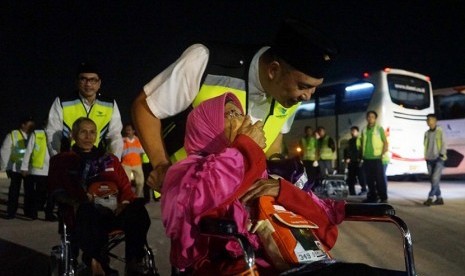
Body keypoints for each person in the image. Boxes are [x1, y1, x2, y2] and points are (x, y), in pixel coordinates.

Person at [131, 18, 338, 192]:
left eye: (314, 88)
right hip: (188, 192)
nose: (308, 96)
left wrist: (276, 173)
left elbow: (275, 137)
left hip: (239, 197)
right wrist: (161, 166)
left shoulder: (289, 93)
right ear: (274, 70)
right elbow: (145, 107)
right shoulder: (206, 61)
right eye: (303, 86)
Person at [161, 93, 345, 274]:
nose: (244, 119)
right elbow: (197, 205)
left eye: (240, 113)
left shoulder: (267, 173)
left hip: (300, 265)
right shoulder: (184, 172)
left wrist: (284, 191)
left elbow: (326, 232)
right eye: (231, 114)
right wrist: (245, 148)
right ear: (206, 127)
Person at [48, 117, 151, 275]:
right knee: (88, 211)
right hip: (83, 214)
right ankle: (98, 264)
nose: (89, 136)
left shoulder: (110, 160)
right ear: (73, 135)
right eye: (83, 132)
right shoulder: (61, 161)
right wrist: (75, 202)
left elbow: (125, 188)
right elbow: (56, 190)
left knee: (138, 211)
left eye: (92, 132)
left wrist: (123, 203)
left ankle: (133, 262)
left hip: (114, 211)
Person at [46, 62, 123, 159]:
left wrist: (115, 161)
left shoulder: (110, 103)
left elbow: (114, 135)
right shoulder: (62, 101)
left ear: (99, 83)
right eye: (83, 79)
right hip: (69, 159)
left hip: (97, 160)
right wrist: (57, 159)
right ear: (77, 82)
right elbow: (53, 132)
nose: (88, 84)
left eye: (93, 80)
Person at [20, 121, 57, 221]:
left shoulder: (57, 134)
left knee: (51, 195)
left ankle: (48, 214)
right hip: (38, 170)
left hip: (52, 170)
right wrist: (24, 167)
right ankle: (34, 213)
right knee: (39, 194)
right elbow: (29, 150)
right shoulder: (37, 134)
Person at [0, 116, 35, 219]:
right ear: (23, 125)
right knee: (14, 192)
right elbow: (5, 151)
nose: (31, 127)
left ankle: (28, 212)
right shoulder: (13, 135)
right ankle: (11, 212)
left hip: (28, 168)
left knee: (29, 192)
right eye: (29, 125)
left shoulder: (33, 135)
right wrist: (4, 166)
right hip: (16, 168)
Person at [360, 111, 388, 203]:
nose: (370, 118)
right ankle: (372, 197)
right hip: (367, 158)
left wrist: (382, 154)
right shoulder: (364, 130)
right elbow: (362, 143)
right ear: (367, 118)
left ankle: (383, 197)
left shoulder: (379, 129)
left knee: (380, 179)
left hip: (377, 158)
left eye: (372, 117)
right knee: (369, 180)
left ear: (375, 118)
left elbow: (385, 143)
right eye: (369, 116)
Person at [423, 114, 447, 206]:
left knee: (435, 178)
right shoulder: (426, 133)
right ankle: (439, 198)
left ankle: (430, 197)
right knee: (433, 180)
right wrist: (425, 156)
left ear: (435, 121)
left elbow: (444, 143)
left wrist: (442, 153)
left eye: (430, 119)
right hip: (429, 159)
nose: (428, 121)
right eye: (427, 120)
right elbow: (425, 145)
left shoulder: (440, 131)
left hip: (438, 159)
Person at [121, 123, 145, 197]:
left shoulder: (138, 140)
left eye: (129, 130)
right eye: (126, 130)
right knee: (126, 183)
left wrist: (141, 162)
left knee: (140, 182)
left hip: (137, 164)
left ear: (133, 131)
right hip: (126, 165)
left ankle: (136, 196)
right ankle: (127, 197)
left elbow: (142, 152)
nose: (127, 132)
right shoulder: (122, 140)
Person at [343, 126, 367, 196]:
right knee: (351, 177)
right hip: (351, 162)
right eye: (351, 131)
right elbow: (346, 150)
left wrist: (361, 159)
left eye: (354, 131)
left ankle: (364, 189)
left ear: (357, 132)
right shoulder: (350, 141)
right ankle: (352, 192)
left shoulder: (360, 140)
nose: (352, 133)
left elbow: (362, 150)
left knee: (361, 177)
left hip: (358, 161)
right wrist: (346, 158)